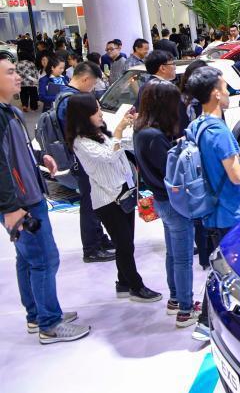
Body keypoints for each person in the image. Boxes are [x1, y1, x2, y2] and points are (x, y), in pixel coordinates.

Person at [1, 58, 90, 343]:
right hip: (22, 202)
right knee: (44, 258)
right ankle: (49, 324)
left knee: (27, 259)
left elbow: (19, 150)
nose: (18, 76)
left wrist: (41, 158)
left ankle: (37, 314)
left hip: (27, 196)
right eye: (10, 72)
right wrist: (10, 208)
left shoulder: (9, 111)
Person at [185, 66, 240, 339]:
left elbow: (215, 162)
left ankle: (206, 322)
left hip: (210, 209)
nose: (229, 92)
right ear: (216, 94)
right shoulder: (219, 131)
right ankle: (209, 323)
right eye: (224, 87)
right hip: (230, 212)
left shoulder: (197, 125)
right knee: (231, 271)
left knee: (222, 267)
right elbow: (235, 176)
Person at [65, 93, 161, 302]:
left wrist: (127, 127)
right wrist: (118, 130)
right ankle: (136, 286)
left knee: (126, 242)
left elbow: (119, 149)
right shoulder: (80, 142)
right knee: (124, 245)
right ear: (83, 115)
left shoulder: (98, 133)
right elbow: (108, 156)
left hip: (123, 192)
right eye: (95, 110)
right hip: (108, 200)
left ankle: (123, 282)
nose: (100, 113)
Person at [133, 80, 198, 327]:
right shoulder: (154, 137)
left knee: (173, 254)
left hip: (162, 200)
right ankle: (185, 309)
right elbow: (171, 173)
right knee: (183, 258)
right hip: (173, 202)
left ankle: (175, 299)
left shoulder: (142, 130)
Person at [57, 62, 116, 263]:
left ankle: (99, 240)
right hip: (83, 158)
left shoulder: (63, 96)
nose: (92, 88)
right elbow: (80, 133)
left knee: (93, 200)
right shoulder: (71, 101)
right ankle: (92, 248)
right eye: (92, 84)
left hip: (80, 157)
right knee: (90, 203)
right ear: (85, 79)